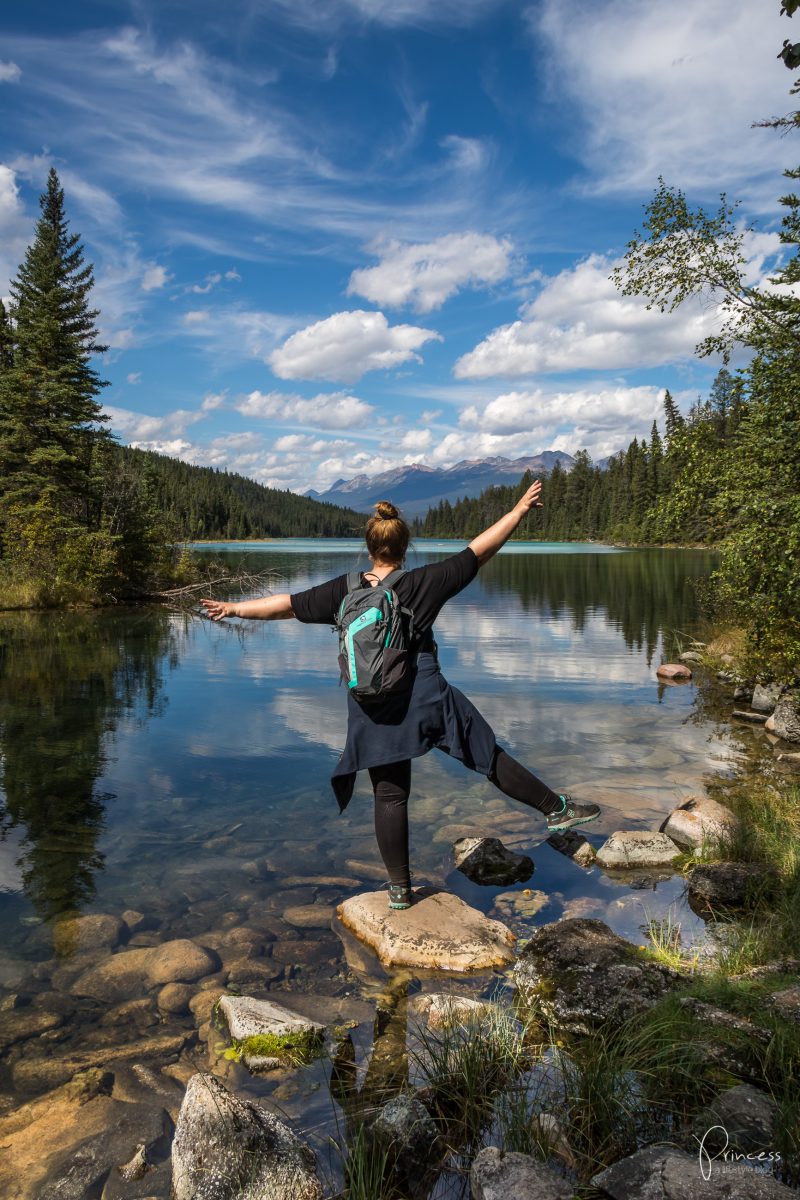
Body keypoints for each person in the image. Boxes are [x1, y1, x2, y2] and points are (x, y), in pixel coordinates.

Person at [200, 481, 600, 910]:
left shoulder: (346, 589)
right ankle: (556, 810)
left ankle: (399, 890)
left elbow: (287, 605)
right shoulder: (423, 582)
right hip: (424, 693)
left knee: (390, 794)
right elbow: (478, 550)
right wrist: (519, 510)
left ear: (369, 547)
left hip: (369, 702)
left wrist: (234, 608)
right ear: (405, 547)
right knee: (485, 753)